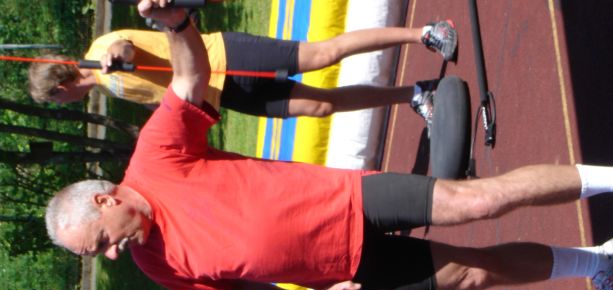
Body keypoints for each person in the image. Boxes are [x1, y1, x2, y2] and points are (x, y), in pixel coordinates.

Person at [46, 0, 613, 290]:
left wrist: (176, 24)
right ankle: (596, 264)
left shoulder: (156, 155)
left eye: (103, 242)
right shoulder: (153, 262)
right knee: (472, 274)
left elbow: (191, 77)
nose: (114, 254)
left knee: (480, 202)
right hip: (341, 268)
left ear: (105, 200)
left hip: (347, 201)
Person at [27, 18, 458, 125]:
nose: (64, 105)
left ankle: (425, 32)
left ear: (61, 87)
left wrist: (115, 55)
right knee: (319, 107)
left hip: (225, 56)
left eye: (57, 101)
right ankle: (415, 94)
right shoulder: (104, 89)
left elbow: (124, 47)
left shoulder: (99, 52)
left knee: (323, 54)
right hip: (223, 94)